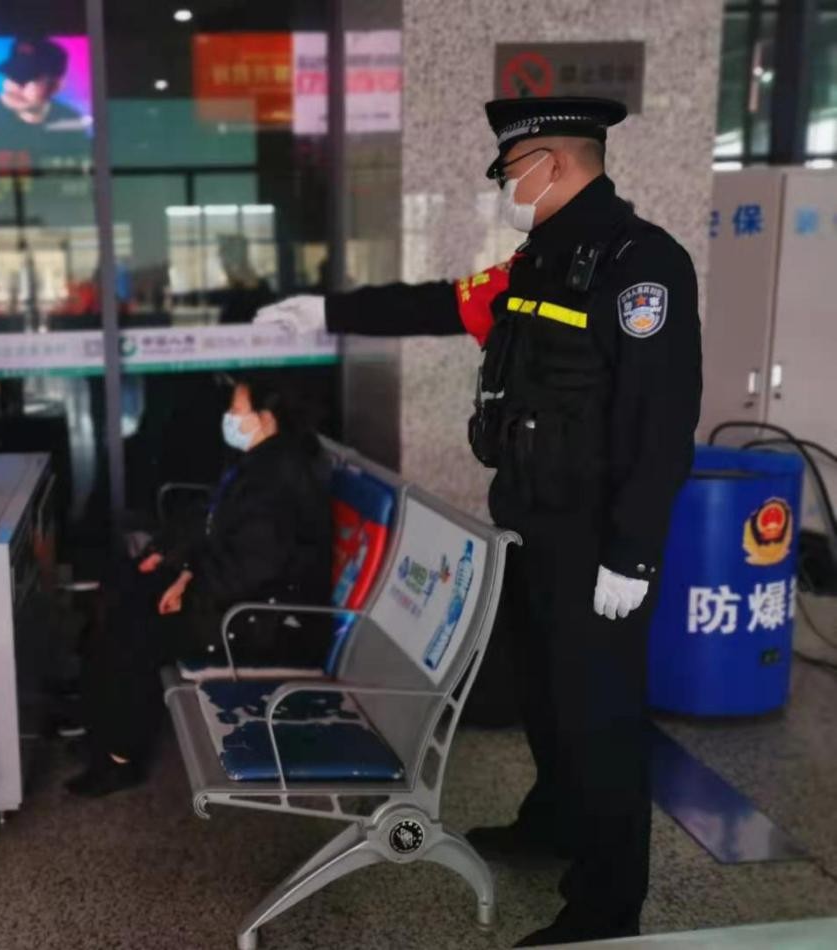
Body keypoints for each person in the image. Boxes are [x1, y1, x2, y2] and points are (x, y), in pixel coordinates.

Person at [254, 97, 703, 947]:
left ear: (553, 164)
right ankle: (553, 822)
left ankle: (607, 904)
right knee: (543, 692)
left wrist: (634, 553)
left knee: (598, 716)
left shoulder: (640, 265)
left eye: (509, 170)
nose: (504, 186)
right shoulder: (541, 261)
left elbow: (661, 420)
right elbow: (440, 303)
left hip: (595, 539)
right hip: (527, 521)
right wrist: (326, 312)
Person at [66, 377, 333, 798]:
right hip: (237, 597)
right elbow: (214, 519)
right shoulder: (261, 462)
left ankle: (119, 756)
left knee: (134, 626)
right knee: (124, 586)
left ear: (266, 419)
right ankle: (99, 721)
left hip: (260, 621)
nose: (229, 418)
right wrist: (172, 556)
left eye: (237, 411)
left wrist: (189, 582)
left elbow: (254, 567)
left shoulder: (278, 480)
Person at [0, 37, 90, 158]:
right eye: (12, 74)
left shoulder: (70, 120)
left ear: (57, 85)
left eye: (32, 78)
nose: (17, 85)